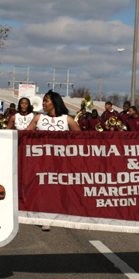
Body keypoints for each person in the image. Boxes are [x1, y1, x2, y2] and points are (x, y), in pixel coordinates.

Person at [27, 90, 80, 231]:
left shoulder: (67, 120)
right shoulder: (38, 118)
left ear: (55, 102)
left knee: (59, 189)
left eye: (46, 100)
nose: (43, 103)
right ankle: (45, 218)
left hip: (61, 161)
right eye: (43, 100)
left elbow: (81, 138)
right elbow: (25, 136)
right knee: (44, 188)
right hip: (42, 161)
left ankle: (63, 213)